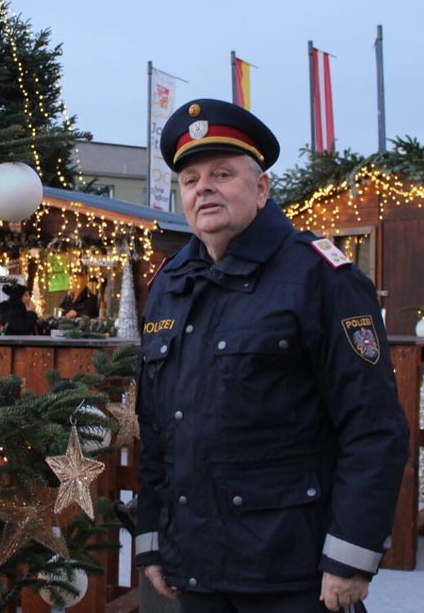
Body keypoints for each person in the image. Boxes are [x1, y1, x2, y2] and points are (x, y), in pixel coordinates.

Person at [135, 99, 409, 613]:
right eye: (190, 180)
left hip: (292, 568)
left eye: (222, 174)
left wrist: (351, 555)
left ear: (261, 188)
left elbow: (373, 426)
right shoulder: (171, 285)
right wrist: (152, 538)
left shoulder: (320, 278)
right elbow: (156, 430)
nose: (203, 188)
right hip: (197, 565)